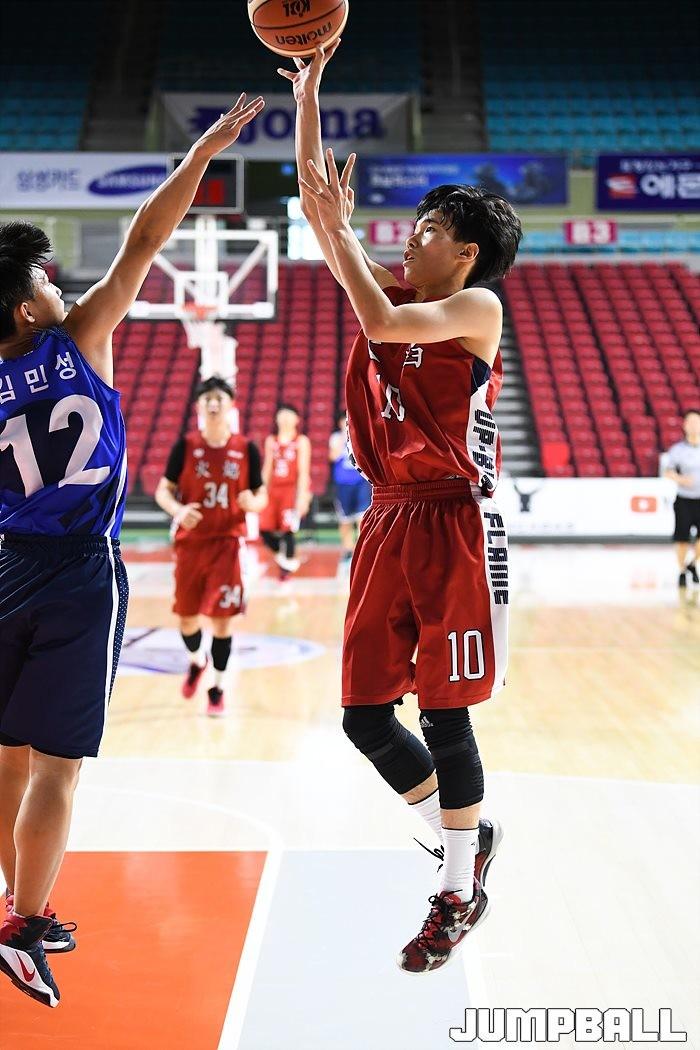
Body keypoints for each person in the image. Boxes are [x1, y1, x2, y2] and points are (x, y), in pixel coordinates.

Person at [0, 92, 264, 1007]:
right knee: (57, 767)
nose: (57, 283)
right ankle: (24, 926)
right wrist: (201, 153)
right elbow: (145, 239)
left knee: (6, 755)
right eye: (44, 279)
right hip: (80, 571)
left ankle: (16, 904)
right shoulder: (79, 338)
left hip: (5, 565)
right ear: (27, 307)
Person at [280, 44, 521, 973]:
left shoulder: (476, 309)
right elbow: (318, 201)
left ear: (466, 253)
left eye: (428, 230)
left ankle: (456, 892)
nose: (411, 238)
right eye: (413, 227)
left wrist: (342, 235)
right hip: (387, 517)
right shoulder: (391, 283)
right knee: (365, 718)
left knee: (447, 717)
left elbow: (380, 322)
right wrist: (308, 90)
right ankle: (467, 837)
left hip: (453, 522)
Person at [155, 376, 267, 716]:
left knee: (222, 622)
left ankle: (217, 688)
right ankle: (196, 660)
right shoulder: (185, 446)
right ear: (198, 407)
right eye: (207, 399)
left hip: (227, 544)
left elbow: (261, 494)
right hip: (190, 545)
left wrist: (253, 502)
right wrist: (178, 510)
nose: (214, 403)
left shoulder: (246, 448)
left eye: (220, 398)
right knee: (187, 620)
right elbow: (163, 490)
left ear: (231, 404)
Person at [259, 403, 311, 580]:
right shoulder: (271, 441)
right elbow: (267, 468)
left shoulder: (301, 441)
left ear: (297, 419)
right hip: (273, 490)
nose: (286, 418)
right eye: (282, 415)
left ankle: (286, 570)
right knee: (264, 529)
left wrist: (302, 496)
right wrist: (261, 491)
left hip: (291, 490)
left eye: (289, 415)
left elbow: (303, 471)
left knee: (288, 530)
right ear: (276, 419)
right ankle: (283, 558)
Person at [662, 408, 700, 588]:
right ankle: (682, 570)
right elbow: (668, 472)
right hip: (685, 499)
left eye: (697, 422)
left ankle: (693, 563)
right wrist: (681, 479)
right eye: (690, 422)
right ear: (684, 425)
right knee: (682, 538)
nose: (694, 426)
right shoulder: (677, 450)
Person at [329, 408, 371, 563]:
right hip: (343, 484)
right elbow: (333, 456)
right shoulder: (335, 438)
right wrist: (343, 437)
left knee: (361, 517)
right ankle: (348, 549)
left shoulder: (360, 435)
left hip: (360, 481)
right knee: (345, 519)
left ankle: (362, 548)